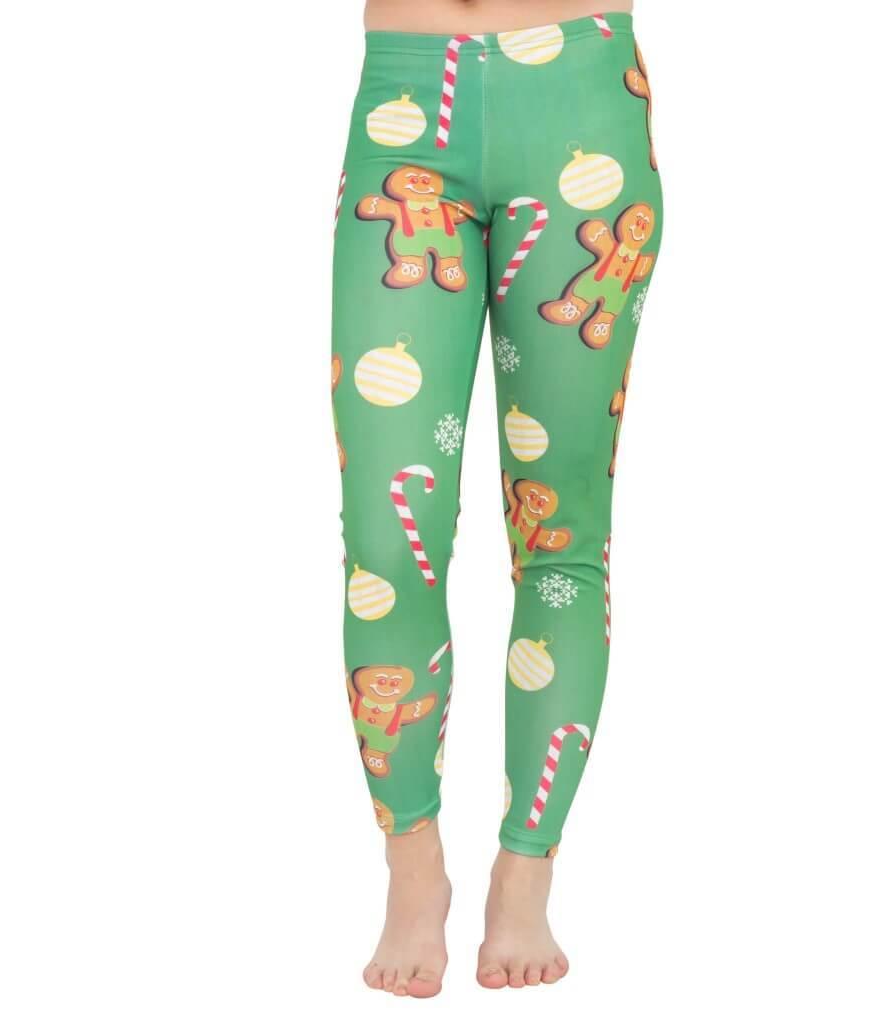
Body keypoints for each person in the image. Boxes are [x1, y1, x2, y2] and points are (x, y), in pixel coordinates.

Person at [332, 0, 662, 996]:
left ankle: (526, 870)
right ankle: (413, 865)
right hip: (406, 97)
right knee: (386, 542)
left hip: (581, 96)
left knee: (559, 532)